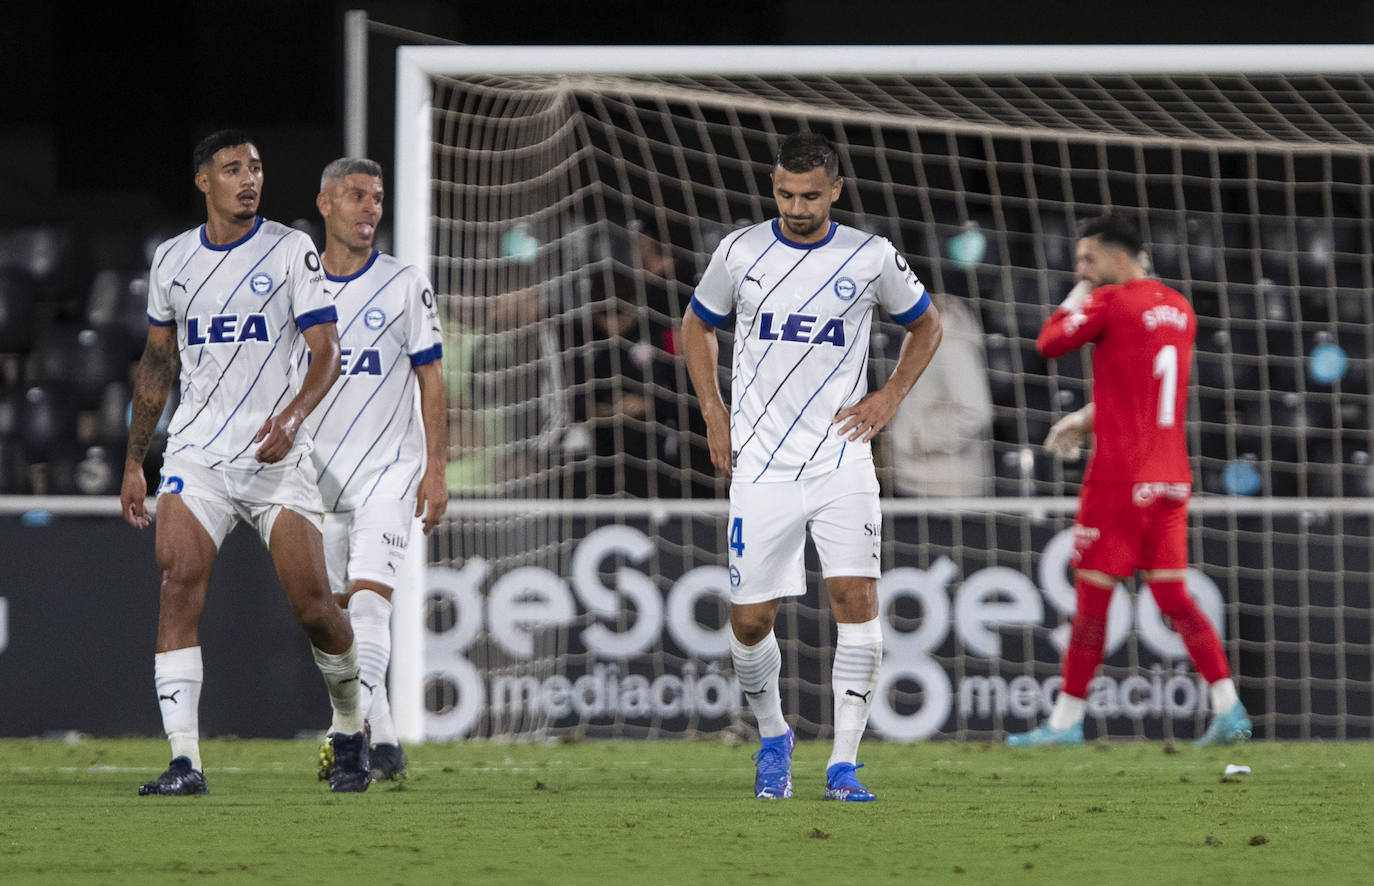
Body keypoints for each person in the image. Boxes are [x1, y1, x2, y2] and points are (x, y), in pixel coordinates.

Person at [682, 131, 942, 801]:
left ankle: (844, 764)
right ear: (774, 187)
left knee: (855, 601)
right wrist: (714, 410)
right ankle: (773, 736)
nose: (796, 207)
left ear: (835, 189)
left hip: (841, 460)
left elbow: (927, 325)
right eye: (785, 194)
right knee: (749, 622)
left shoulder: (870, 255)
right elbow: (696, 323)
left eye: (809, 196)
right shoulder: (740, 251)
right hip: (761, 464)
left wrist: (889, 397)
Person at [121, 130, 371, 795]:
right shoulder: (171, 259)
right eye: (232, 169)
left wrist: (291, 418)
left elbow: (328, 355)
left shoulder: (292, 251)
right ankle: (184, 762)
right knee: (177, 579)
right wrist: (134, 462)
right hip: (197, 453)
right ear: (204, 180)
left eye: (255, 167)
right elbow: (155, 366)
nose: (248, 178)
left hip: (276, 459)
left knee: (316, 607)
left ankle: (351, 724)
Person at [1008, 212, 1251, 747]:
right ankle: (1228, 706)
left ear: (1119, 258)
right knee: (1173, 596)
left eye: (1088, 260)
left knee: (1093, 599)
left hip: (1120, 477)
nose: (1082, 270)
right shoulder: (1180, 309)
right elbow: (1143, 387)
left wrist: (1075, 295)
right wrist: (1085, 418)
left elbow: (1048, 344)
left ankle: (1065, 724)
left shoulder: (1111, 300)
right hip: (1170, 476)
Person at [305, 158, 447, 781]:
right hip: (317, 475)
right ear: (325, 204)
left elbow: (431, 377)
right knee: (335, 618)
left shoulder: (403, 283)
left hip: (389, 470)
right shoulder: (297, 288)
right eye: (357, 196)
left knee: (368, 604)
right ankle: (383, 736)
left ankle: (352, 742)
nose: (370, 208)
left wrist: (435, 467)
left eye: (378, 198)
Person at [886, 291, 994, 497]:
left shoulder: (949, 340)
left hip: (944, 490)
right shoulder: (921, 333)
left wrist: (917, 439)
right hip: (921, 483)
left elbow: (975, 412)